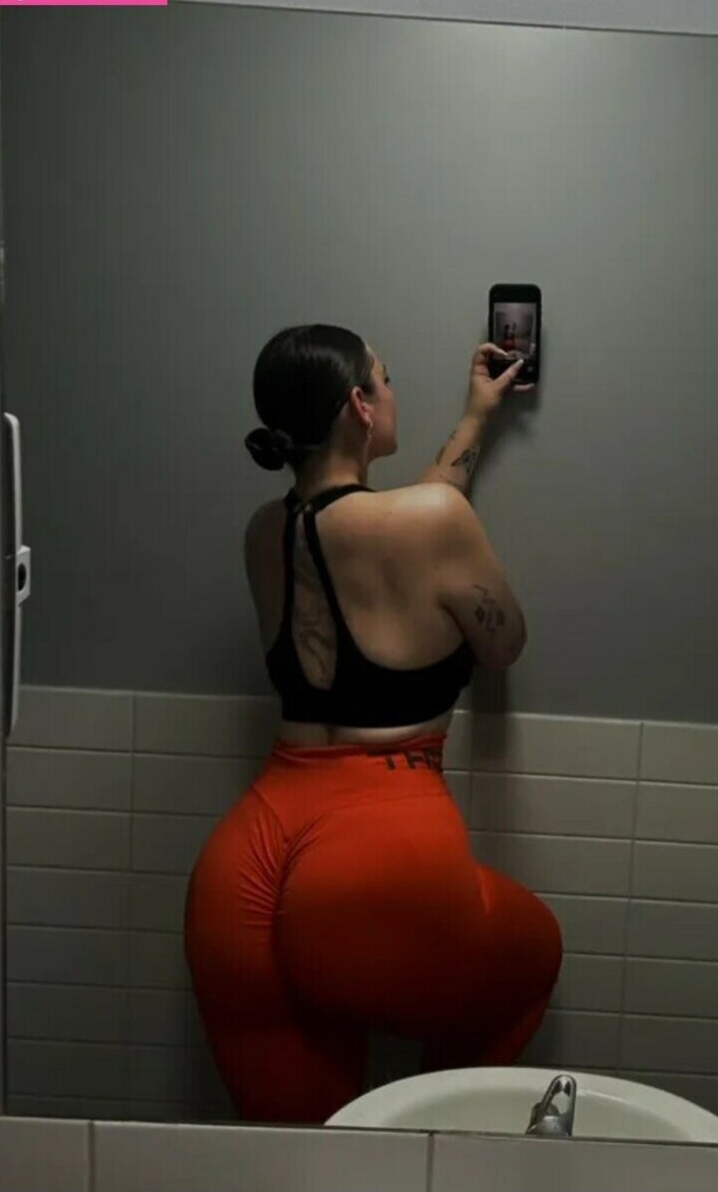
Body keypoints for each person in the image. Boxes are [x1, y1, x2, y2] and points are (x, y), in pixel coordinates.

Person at [184, 324, 563, 1124]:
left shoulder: (266, 532)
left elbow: (382, 526)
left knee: (304, 1159)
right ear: (360, 404)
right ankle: (428, 1149)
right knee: (533, 956)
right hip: (377, 851)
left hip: (244, 862)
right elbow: (503, 643)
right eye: (385, 380)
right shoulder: (430, 520)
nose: (393, 393)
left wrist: (475, 419)